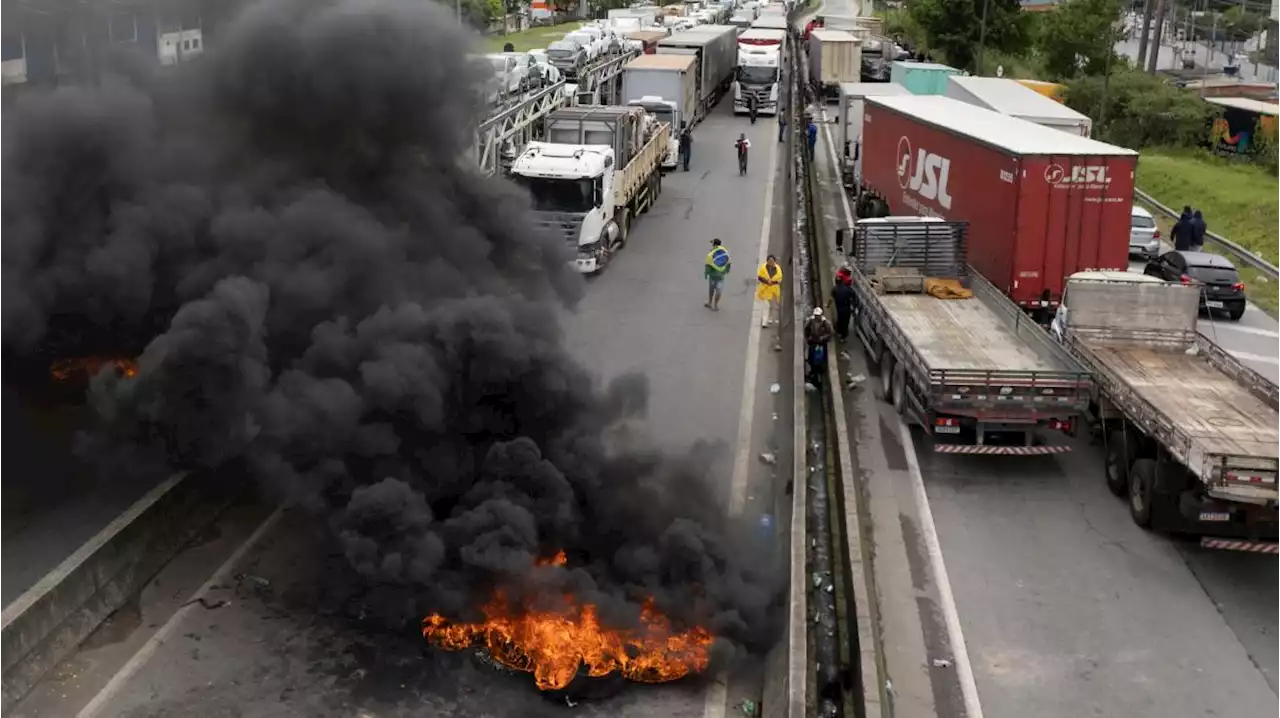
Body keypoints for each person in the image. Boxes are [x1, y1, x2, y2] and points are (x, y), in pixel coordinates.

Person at [803, 307, 835, 386]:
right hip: (813, 342)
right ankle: (813, 372)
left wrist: (823, 338)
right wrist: (808, 338)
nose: (817, 317)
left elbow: (830, 332)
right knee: (811, 358)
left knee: (819, 358)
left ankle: (818, 370)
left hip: (821, 343)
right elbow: (806, 329)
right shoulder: (811, 321)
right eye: (816, 315)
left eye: (818, 315)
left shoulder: (825, 323)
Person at [756, 254, 783, 328]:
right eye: (769, 261)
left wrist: (772, 283)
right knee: (766, 306)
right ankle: (764, 322)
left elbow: (779, 280)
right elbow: (760, 277)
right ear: (767, 261)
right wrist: (767, 282)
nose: (771, 262)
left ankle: (771, 317)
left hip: (774, 290)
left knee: (773, 305)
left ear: (775, 261)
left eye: (772, 261)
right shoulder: (763, 268)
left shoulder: (778, 269)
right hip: (765, 290)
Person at [704, 239, 731, 310]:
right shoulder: (724, 252)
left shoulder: (712, 253)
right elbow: (728, 262)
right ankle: (712, 303)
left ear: (715, 245)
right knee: (714, 291)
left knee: (714, 290)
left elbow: (707, 264)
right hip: (719, 276)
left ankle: (713, 304)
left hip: (715, 276)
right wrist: (726, 271)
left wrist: (706, 273)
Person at [830, 272, 855, 342]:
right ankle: (843, 337)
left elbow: (831, 299)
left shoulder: (834, 289)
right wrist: (853, 306)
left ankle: (839, 333)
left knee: (840, 320)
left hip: (839, 308)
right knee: (846, 322)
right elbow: (853, 296)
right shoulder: (848, 289)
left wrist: (827, 305)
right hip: (847, 308)